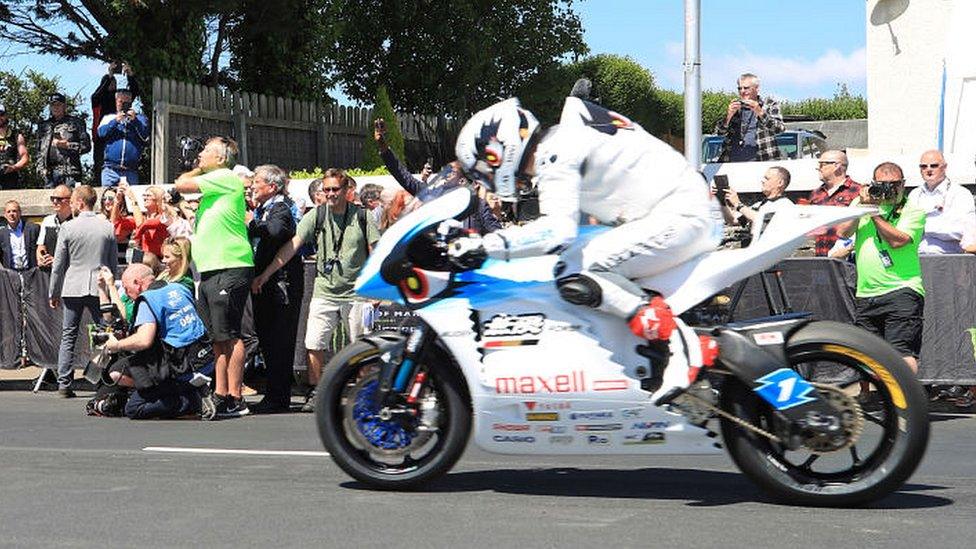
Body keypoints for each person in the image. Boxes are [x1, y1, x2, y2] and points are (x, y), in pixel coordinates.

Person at [451, 97, 719, 400]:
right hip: (684, 211)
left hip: (681, 215)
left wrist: (485, 246)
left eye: (485, 168)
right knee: (577, 258)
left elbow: (556, 232)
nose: (487, 180)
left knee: (575, 268)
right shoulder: (565, 139)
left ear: (499, 150)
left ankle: (679, 344)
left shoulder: (555, 152)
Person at [251, 168, 380, 412]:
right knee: (314, 342)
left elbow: (376, 252)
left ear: (347, 191)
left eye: (335, 189)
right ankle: (316, 390)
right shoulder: (317, 216)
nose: (330, 194)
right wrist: (265, 275)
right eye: (327, 189)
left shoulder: (363, 217)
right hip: (325, 289)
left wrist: (376, 290)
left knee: (361, 345)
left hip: (356, 291)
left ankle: (365, 391)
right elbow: (291, 246)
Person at [174, 136, 254, 418]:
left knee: (230, 335)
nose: (200, 156)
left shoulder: (225, 176)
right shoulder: (217, 183)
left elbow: (181, 183)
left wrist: (197, 169)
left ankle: (236, 396)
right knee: (218, 337)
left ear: (221, 159)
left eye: (206, 152)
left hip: (229, 264)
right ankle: (222, 393)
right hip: (211, 268)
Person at [838, 162, 925, 376]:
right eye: (883, 184)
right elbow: (842, 232)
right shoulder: (861, 203)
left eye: (894, 184)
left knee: (901, 353)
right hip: (867, 292)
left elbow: (898, 241)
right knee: (867, 353)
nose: (889, 189)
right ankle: (871, 396)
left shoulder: (913, 209)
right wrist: (861, 207)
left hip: (902, 289)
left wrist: (874, 213)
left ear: (903, 184)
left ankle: (905, 404)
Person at [102, 264, 215, 420]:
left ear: (137, 283)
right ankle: (188, 390)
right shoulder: (178, 288)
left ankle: (190, 401)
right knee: (123, 369)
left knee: (133, 407)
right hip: (205, 358)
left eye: (127, 289)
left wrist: (116, 345)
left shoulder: (148, 299)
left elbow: (144, 340)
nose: (127, 295)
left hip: (180, 367)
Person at [48, 185, 118, 397]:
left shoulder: (68, 228)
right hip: (100, 286)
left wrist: (54, 291)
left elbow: (58, 264)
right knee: (103, 334)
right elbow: (113, 262)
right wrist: (112, 288)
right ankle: (102, 379)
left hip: (73, 285)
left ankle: (64, 383)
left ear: (79, 202)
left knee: (68, 335)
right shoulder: (106, 226)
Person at [374, 117, 502, 233]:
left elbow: (497, 235)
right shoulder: (433, 196)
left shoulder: (479, 207)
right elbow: (404, 177)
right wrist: (383, 147)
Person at [246, 165, 304, 413]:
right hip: (267, 284)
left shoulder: (280, 208)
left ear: (272, 187)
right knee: (268, 339)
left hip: (282, 285)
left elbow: (276, 231)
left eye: (256, 181)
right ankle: (274, 393)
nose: (252, 185)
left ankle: (278, 397)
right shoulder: (264, 209)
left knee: (279, 340)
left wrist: (252, 224)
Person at [906, 149, 975, 254]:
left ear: (944, 167)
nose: (928, 169)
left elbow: (961, 230)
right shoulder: (914, 194)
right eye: (924, 166)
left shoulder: (960, 194)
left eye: (934, 165)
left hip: (948, 257)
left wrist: (923, 228)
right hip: (916, 257)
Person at [714, 73, 785, 162]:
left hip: (762, 163)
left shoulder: (769, 104)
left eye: (746, 88)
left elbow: (780, 129)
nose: (742, 91)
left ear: (757, 89)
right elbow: (719, 133)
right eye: (739, 88)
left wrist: (760, 112)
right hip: (732, 164)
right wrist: (728, 116)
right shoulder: (735, 105)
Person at [91, 62, 140, 183]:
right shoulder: (98, 99)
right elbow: (97, 94)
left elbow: (133, 91)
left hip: (118, 135)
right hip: (101, 138)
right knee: (100, 166)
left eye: (115, 82)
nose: (114, 84)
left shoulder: (119, 100)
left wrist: (130, 75)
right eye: (111, 82)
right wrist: (109, 76)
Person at [807, 149, 862, 256]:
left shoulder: (858, 191)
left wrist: (849, 249)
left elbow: (866, 226)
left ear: (836, 166)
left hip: (848, 260)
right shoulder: (816, 194)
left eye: (822, 164)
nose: (818, 168)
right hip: (821, 259)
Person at [719, 167, 794, 242]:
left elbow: (760, 219)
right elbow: (732, 220)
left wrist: (738, 204)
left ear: (780, 183)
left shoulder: (785, 205)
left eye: (767, 178)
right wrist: (722, 201)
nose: (762, 181)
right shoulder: (759, 205)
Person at [97, 86, 149, 187]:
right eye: (121, 102)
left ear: (131, 103)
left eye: (127, 102)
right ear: (116, 102)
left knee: (131, 201)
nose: (123, 105)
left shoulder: (140, 118)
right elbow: (101, 134)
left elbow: (145, 136)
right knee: (108, 199)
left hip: (131, 170)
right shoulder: (109, 118)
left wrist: (135, 121)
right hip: (110, 170)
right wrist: (115, 121)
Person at [36, 92, 91, 188]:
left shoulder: (76, 123)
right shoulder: (44, 126)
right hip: (49, 175)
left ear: (64, 106)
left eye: (59, 105)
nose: (56, 107)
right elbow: (39, 151)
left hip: (70, 173)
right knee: (51, 202)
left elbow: (86, 146)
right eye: (53, 105)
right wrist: (40, 170)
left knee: (72, 200)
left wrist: (68, 145)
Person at [36, 184, 74, 270]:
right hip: (50, 273)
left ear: (70, 200)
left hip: (69, 273)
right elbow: (41, 246)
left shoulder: (77, 222)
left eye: (59, 199)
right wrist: (41, 259)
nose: (55, 201)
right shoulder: (47, 221)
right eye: (52, 198)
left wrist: (57, 261)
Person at [0, 200, 40, 270]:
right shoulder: (2, 234)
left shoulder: (33, 228)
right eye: (8, 212)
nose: (11, 214)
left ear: (20, 213)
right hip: (11, 274)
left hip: (31, 272)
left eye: (14, 211)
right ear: (5, 215)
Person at [0, 103, 29, 190]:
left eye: (1, 114)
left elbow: (25, 157)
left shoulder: (16, 135)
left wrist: (13, 167)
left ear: (6, 115)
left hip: (10, 179)